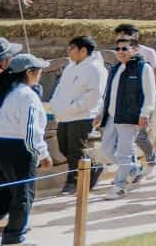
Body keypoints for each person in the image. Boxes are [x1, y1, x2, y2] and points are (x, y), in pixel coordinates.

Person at [0, 53, 51, 244]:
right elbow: (31, 131)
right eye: (38, 71)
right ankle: (14, 238)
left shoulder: (0, 92)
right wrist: (42, 154)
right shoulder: (27, 95)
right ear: (29, 72)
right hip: (17, 149)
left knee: (6, 194)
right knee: (23, 196)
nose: (40, 74)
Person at [98, 35, 156, 198]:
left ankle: (119, 186)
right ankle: (133, 169)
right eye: (118, 49)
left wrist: (144, 114)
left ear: (135, 49)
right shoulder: (115, 68)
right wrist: (101, 112)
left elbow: (150, 94)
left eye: (125, 48)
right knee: (106, 150)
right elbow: (108, 93)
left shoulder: (143, 68)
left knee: (124, 152)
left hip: (130, 117)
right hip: (111, 116)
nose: (120, 52)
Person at [50, 36, 106, 196]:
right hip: (64, 116)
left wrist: (74, 107)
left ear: (83, 50)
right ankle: (93, 167)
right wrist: (56, 105)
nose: (69, 51)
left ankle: (73, 181)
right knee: (64, 148)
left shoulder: (96, 68)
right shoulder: (70, 67)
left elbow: (94, 94)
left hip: (82, 115)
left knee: (76, 149)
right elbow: (59, 89)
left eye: (72, 48)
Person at [112, 24, 156, 177]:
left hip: (144, 100)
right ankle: (131, 171)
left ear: (135, 36)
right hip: (125, 102)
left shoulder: (148, 52)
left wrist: (153, 97)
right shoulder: (120, 53)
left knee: (141, 136)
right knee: (126, 140)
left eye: (124, 35)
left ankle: (153, 161)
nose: (121, 40)